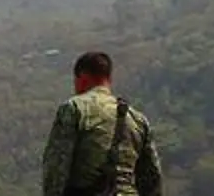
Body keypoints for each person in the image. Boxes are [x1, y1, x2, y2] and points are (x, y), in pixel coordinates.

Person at [41, 52, 163, 196]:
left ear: (82, 77)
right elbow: (152, 178)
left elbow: (56, 167)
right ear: (109, 78)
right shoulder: (137, 119)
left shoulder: (74, 108)